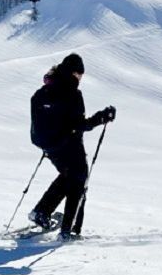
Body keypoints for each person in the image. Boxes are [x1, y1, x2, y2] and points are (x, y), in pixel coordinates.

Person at [28, 53, 115, 240]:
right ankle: (70, 230)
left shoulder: (42, 91)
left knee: (68, 176)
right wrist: (102, 118)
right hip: (69, 144)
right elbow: (79, 124)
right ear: (73, 73)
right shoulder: (72, 93)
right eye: (79, 75)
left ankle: (42, 211)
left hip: (48, 146)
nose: (80, 79)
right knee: (79, 180)